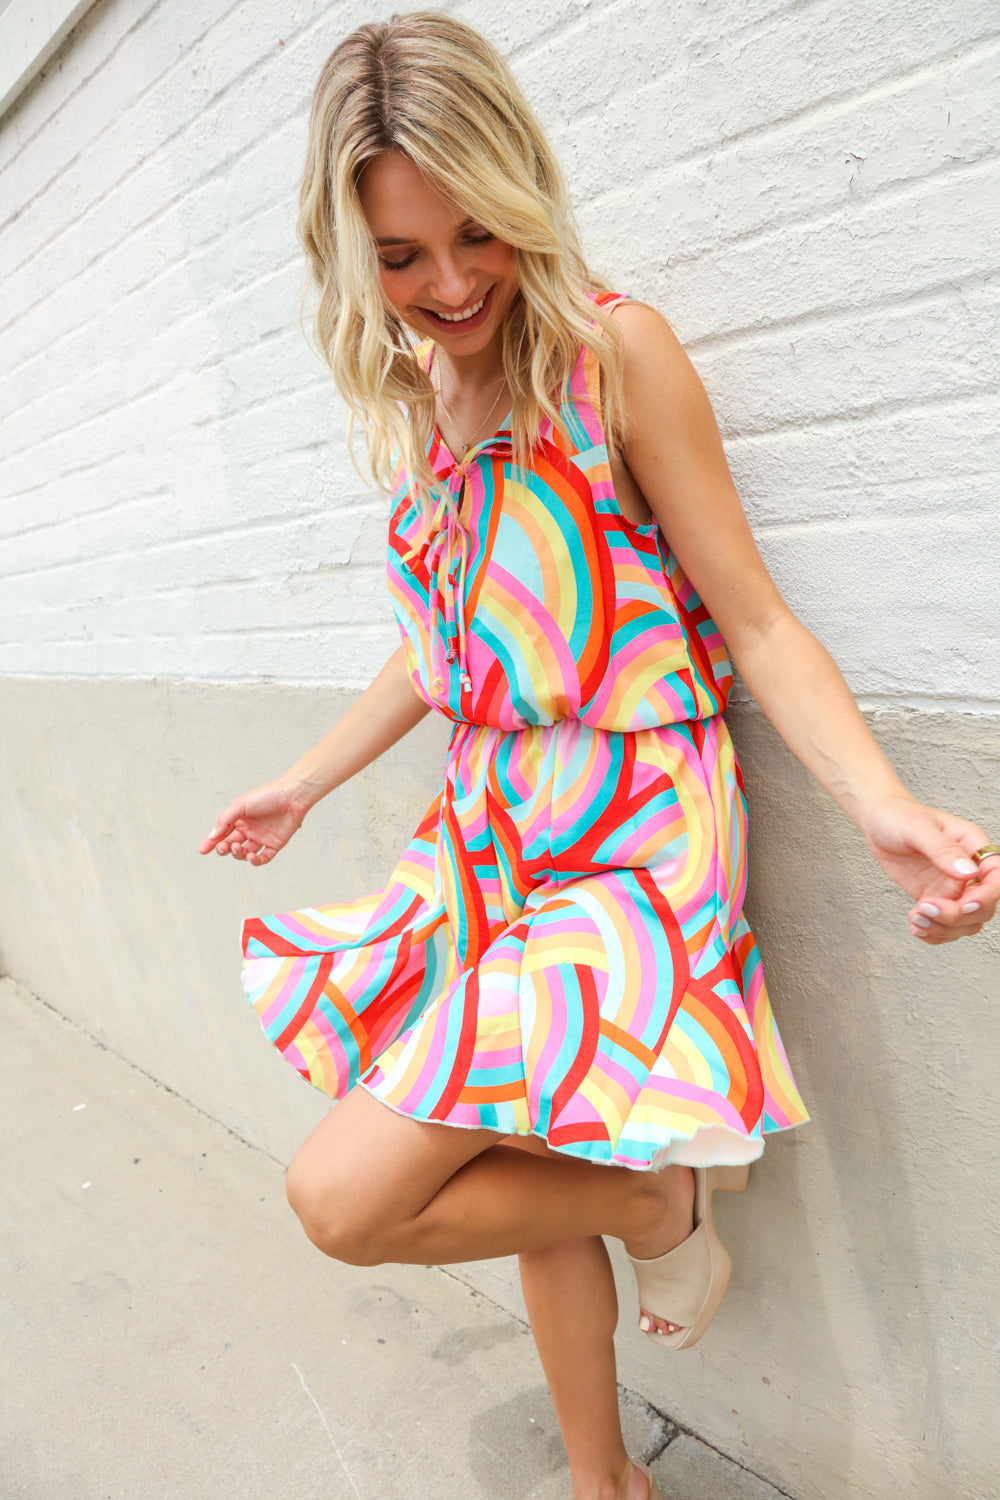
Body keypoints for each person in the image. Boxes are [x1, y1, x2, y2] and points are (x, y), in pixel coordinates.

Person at [199, 14, 1000, 1500]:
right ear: (350, 251)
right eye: (402, 255)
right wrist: (305, 780)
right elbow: (450, 642)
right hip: (492, 826)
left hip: (634, 834)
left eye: (477, 233)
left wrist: (881, 803)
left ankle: (652, 1202)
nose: (451, 285)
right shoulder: (426, 393)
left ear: (523, 191)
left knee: (343, 1197)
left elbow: (754, 618)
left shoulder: (612, 356)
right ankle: (602, 1479)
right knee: (509, 1145)